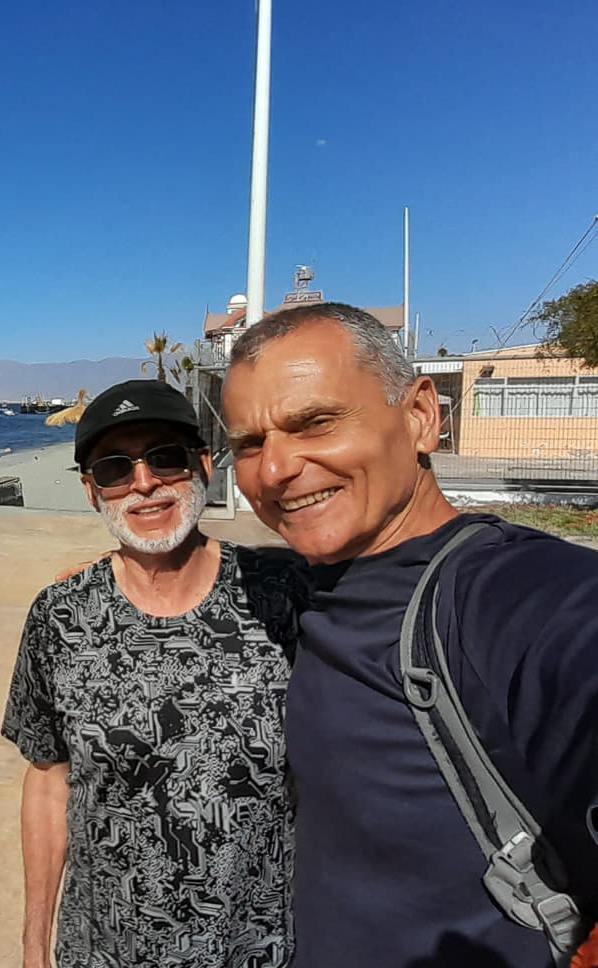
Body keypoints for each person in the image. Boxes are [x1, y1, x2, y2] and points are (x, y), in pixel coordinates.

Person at [222, 302, 598, 967]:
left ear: (421, 415)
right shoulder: (310, 582)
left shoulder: (511, 595)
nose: (275, 470)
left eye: (315, 422)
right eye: (250, 443)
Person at [1, 379, 308, 968]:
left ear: (204, 465)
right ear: (93, 492)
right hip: (104, 949)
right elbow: (47, 778)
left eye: (164, 458)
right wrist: (34, 943)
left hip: (260, 946)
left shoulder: (284, 590)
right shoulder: (61, 616)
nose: (143, 484)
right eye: (114, 469)